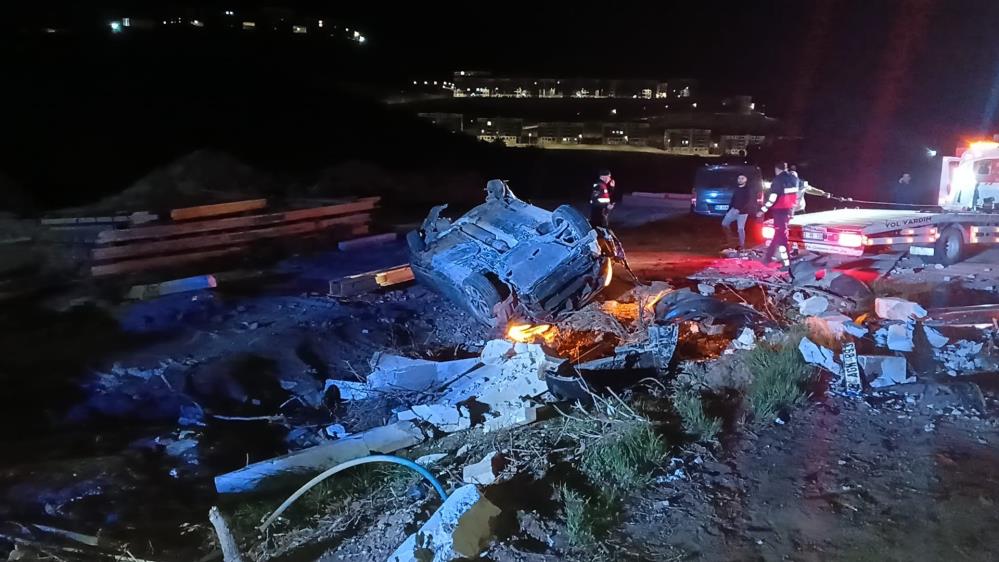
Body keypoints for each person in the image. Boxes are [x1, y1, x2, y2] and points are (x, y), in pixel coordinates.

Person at [757, 162, 799, 268]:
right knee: (778, 233)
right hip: (790, 210)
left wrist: (763, 209)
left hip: (780, 211)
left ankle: (786, 262)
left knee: (781, 238)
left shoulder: (778, 180)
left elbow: (773, 198)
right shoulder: (794, 178)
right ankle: (768, 257)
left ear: (777, 169)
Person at [721, 173, 753, 249]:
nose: (740, 180)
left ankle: (742, 245)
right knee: (724, 224)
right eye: (739, 178)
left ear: (746, 180)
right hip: (733, 210)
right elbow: (733, 199)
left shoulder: (748, 189)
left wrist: (739, 210)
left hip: (743, 212)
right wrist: (729, 209)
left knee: (740, 229)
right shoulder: (736, 188)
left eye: (742, 178)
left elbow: (747, 201)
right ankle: (730, 241)